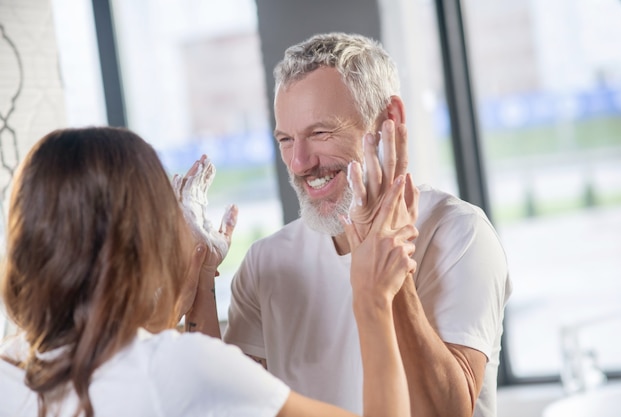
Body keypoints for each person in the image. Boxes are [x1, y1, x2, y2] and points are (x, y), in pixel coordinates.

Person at [0, 126, 418, 416]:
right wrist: (372, 297)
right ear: (144, 241)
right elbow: (172, 377)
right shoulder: (179, 370)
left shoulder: (12, 369)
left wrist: (199, 282)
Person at [223, 32, 512, 417]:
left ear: (388, 119)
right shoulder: (265, 263)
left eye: (320, 132)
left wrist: (390, 272)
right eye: (286, 139)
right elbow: (228, 407)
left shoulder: (460, 234)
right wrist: (196, 283)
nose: (299, 162)